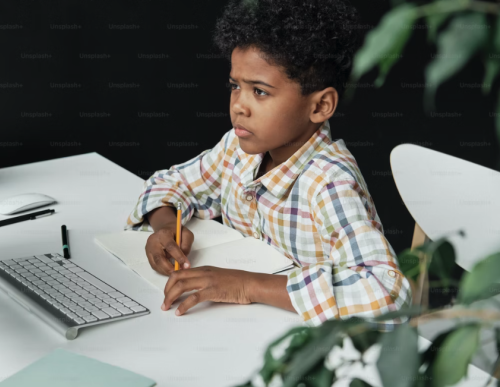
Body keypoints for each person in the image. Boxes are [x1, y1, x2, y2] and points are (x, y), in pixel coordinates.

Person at [125, 0, 412, 330]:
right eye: (236, 86)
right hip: (240, 331)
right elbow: (170, 183)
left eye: (259, 91)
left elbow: (387, 293)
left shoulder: (329, 182)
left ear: (320, 106)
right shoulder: (238, 148)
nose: (239, 106)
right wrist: (166, 227)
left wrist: (248, 285)